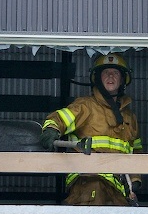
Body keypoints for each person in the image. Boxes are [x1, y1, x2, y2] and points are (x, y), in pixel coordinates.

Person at [40, 53, 142, 205]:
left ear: (122, 80)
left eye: (115, 73)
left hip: (117, 189)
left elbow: (136, 150)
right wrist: (51, 129)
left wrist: (135, 178)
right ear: (97, 78)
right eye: (106, 72)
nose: (110, 76)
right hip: (88, 182)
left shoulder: (129, 117)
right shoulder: (85, 106)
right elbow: (58, 119)